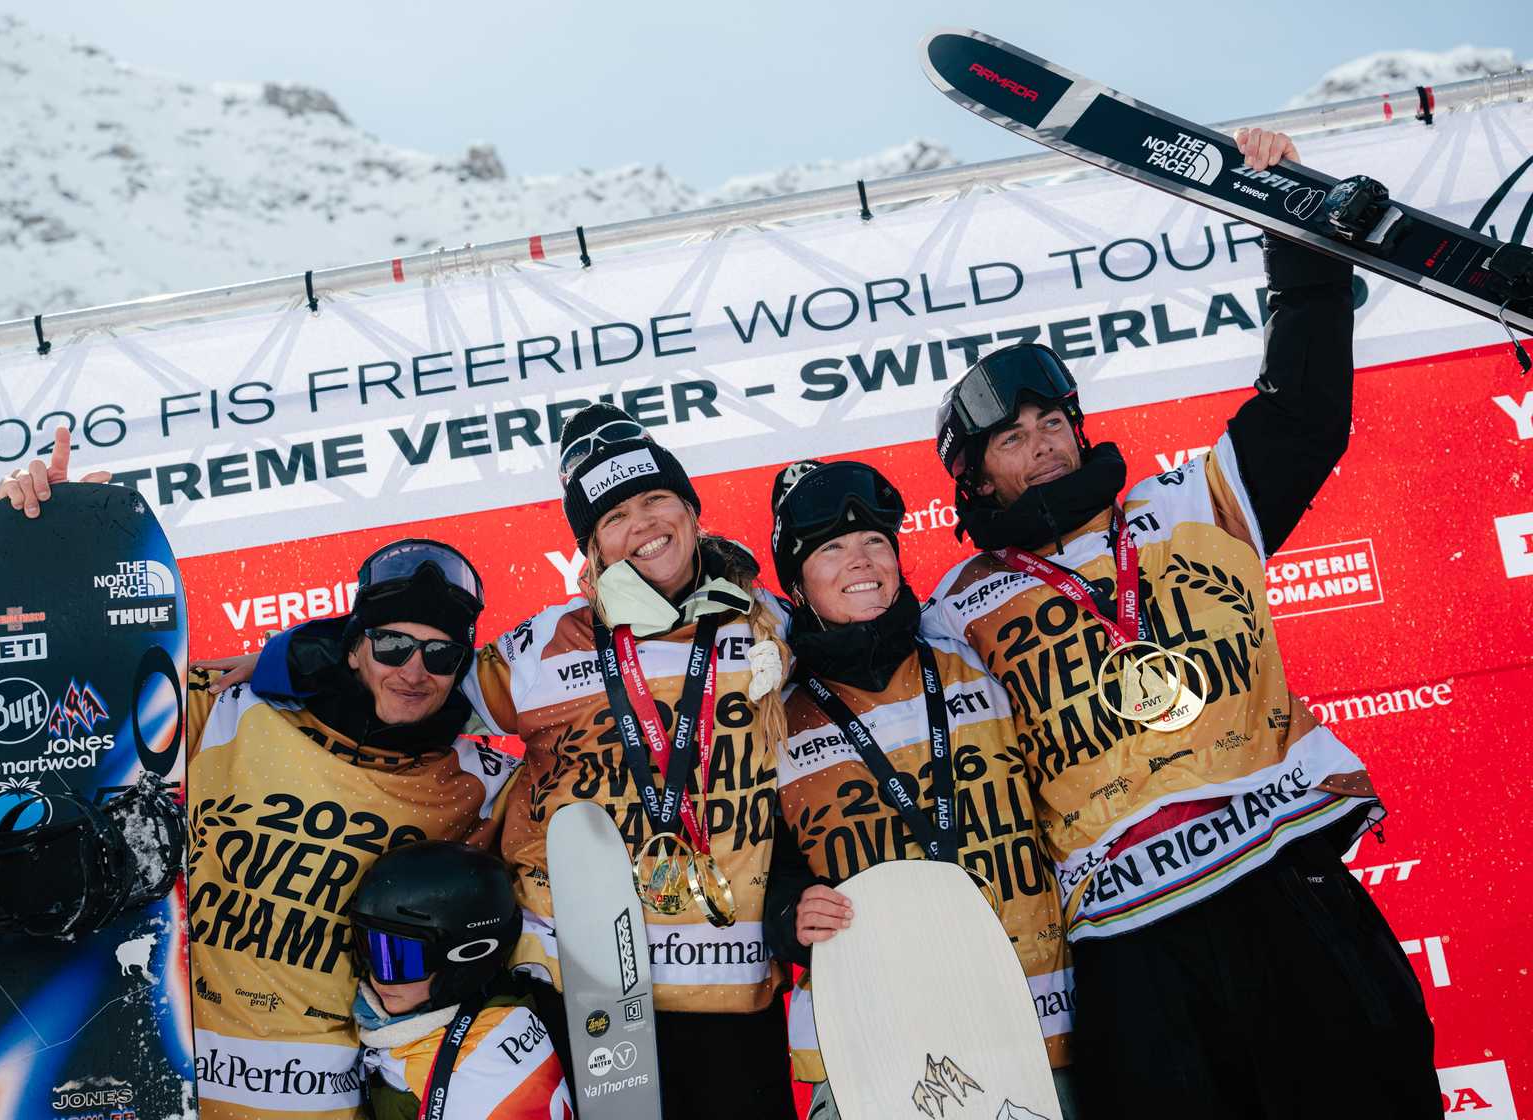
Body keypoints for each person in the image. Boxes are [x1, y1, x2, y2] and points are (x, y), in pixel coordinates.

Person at [921, 128, 1440, 1118]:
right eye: (1013, 440)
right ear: (974, 478)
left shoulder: (1190, 503)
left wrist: (1297, 242)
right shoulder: (955, 611)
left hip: (1282, 882)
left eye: (1053, 423)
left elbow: (1303, 414)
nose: (1043, 446)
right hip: (1132, 939)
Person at [247, 403, 798, 1119]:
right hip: (581, 981)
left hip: (726, 978)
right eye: (615, 516)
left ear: (692, 512)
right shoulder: (542, 648)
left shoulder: (771, 625)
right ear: (592, 549)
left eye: (657, 500)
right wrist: (297, 655)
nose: (643, 525)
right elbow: (418, 687)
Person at [0, 449, 516, 1120]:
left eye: (440, 655)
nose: (414, 671)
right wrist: (64, 555)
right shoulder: (230, 708)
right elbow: (87, 716)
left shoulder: (481, 784)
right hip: (165, 1079)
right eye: (392, 646)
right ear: (354, 646)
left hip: (321, 1102)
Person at [758, 459, 1074, 1119]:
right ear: (796, 584)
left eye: (874, 540)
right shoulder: (770, 713)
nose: (860, 560)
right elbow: (751, 866)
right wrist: (788, 914)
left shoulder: (973, 650)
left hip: (1032, 1018)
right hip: (871, 1042)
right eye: (830, 550)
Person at [348, 841, 571, 1119]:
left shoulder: (486, 1069)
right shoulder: (390, 1027)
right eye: (371, 948)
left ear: (463, 961)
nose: (379, 977)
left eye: (400, 959)